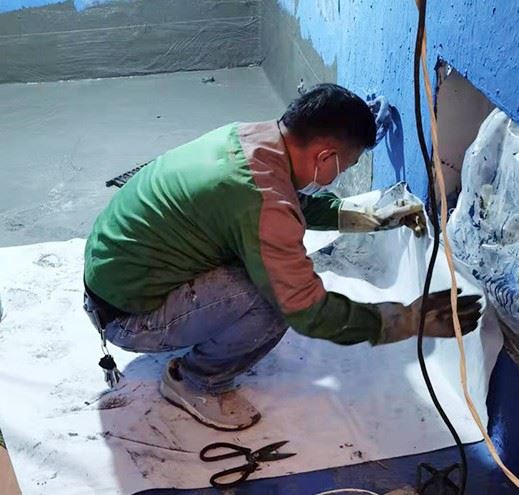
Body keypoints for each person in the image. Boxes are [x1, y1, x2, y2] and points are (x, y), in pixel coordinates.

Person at [83, 84, 481, 431]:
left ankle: (194, 336)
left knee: (270, 268)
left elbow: (281, 199)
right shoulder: (260, 198)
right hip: (128, 318)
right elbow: (306, 310)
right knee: (275, 300)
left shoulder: (252, 139)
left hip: (114, 279)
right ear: (325, 157)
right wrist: (403, 320)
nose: (339, 176)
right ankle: (194, 381)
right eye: (344, 166)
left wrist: (364, 216)